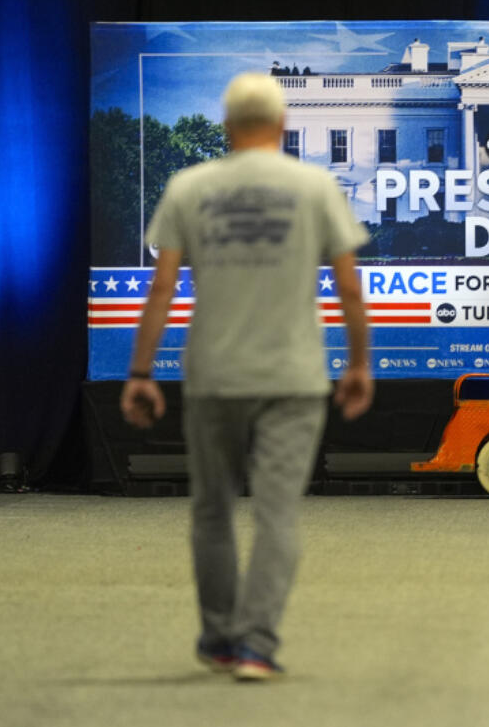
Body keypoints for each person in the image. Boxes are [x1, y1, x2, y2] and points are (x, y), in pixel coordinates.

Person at [119, 72, 373, 680]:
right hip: (293, 377)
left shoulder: (189, 186)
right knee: (278, 513)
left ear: (228, 129)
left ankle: (220, 637)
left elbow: (161, 288)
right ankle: (257, 646)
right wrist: (361, 363)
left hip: (214, 375)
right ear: (282, 127)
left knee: (211, 511)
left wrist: (139, 371)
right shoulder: (314, 185)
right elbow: (347, 288)